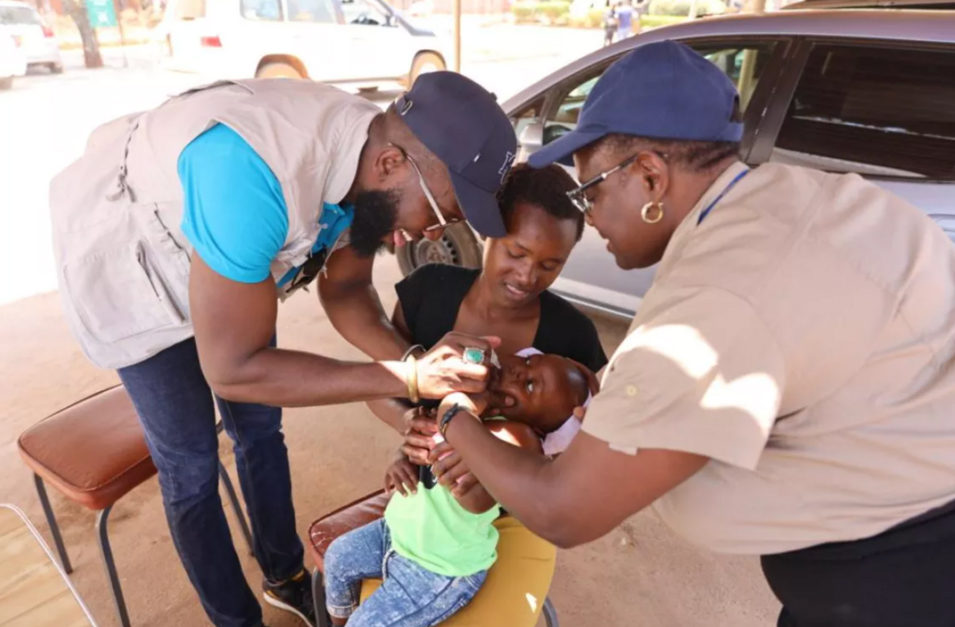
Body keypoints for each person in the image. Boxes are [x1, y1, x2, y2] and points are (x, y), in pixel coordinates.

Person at [418, 42, 955, 627]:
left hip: (907, 580)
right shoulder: (799, 197)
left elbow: (563, 510)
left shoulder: (723, 292)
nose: (591, 217)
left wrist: (453, 416)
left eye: (590, 191)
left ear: (649, 176)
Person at [48, 72, 515, 627]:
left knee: (261, 430)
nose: (425, 235)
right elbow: (234, 369)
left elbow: (343, 288)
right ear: (393, 164)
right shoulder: (253, 172)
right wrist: (405, 379)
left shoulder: (368, 169)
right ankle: (236, 621)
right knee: (192, 468)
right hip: (136, 265)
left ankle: (284, 575)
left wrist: (415, 372)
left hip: (228, 267)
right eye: (439, 216)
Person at [359, 163, 606, 627]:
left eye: (550, 264)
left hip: (515, 515)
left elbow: (591, 453)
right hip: (426, 501)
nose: (528, 275)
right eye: (516, 251)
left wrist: (507, 461)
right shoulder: (427, 293)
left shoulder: (573, 336)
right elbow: (380, 385)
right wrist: (405, 426)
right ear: (488, 231)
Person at [323, 350, 592, 627]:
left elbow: (477, 502)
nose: (518, 372)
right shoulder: (471, 405)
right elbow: (419, 437)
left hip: (438, 567)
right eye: (527, 362)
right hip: (397, 531)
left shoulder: (519, 439)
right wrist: (402, 456)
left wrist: (462, 418)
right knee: (338, 557)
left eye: (530, 385)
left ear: (540, 425)